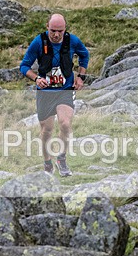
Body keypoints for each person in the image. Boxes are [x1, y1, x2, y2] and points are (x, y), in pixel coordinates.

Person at [20, 14, 89, 176]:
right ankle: (47, 163)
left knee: (65, 124)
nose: (56, 34)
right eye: (53, 31)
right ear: (47, 27)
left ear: (65, 29)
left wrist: (81, 77)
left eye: (60, 31)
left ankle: (62, 159)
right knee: (47, 130)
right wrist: (36, 78)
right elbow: (24, 66)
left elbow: (84, 55)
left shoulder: (72, 41)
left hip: (65, 90)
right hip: (45, 93)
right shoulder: (39, 42)